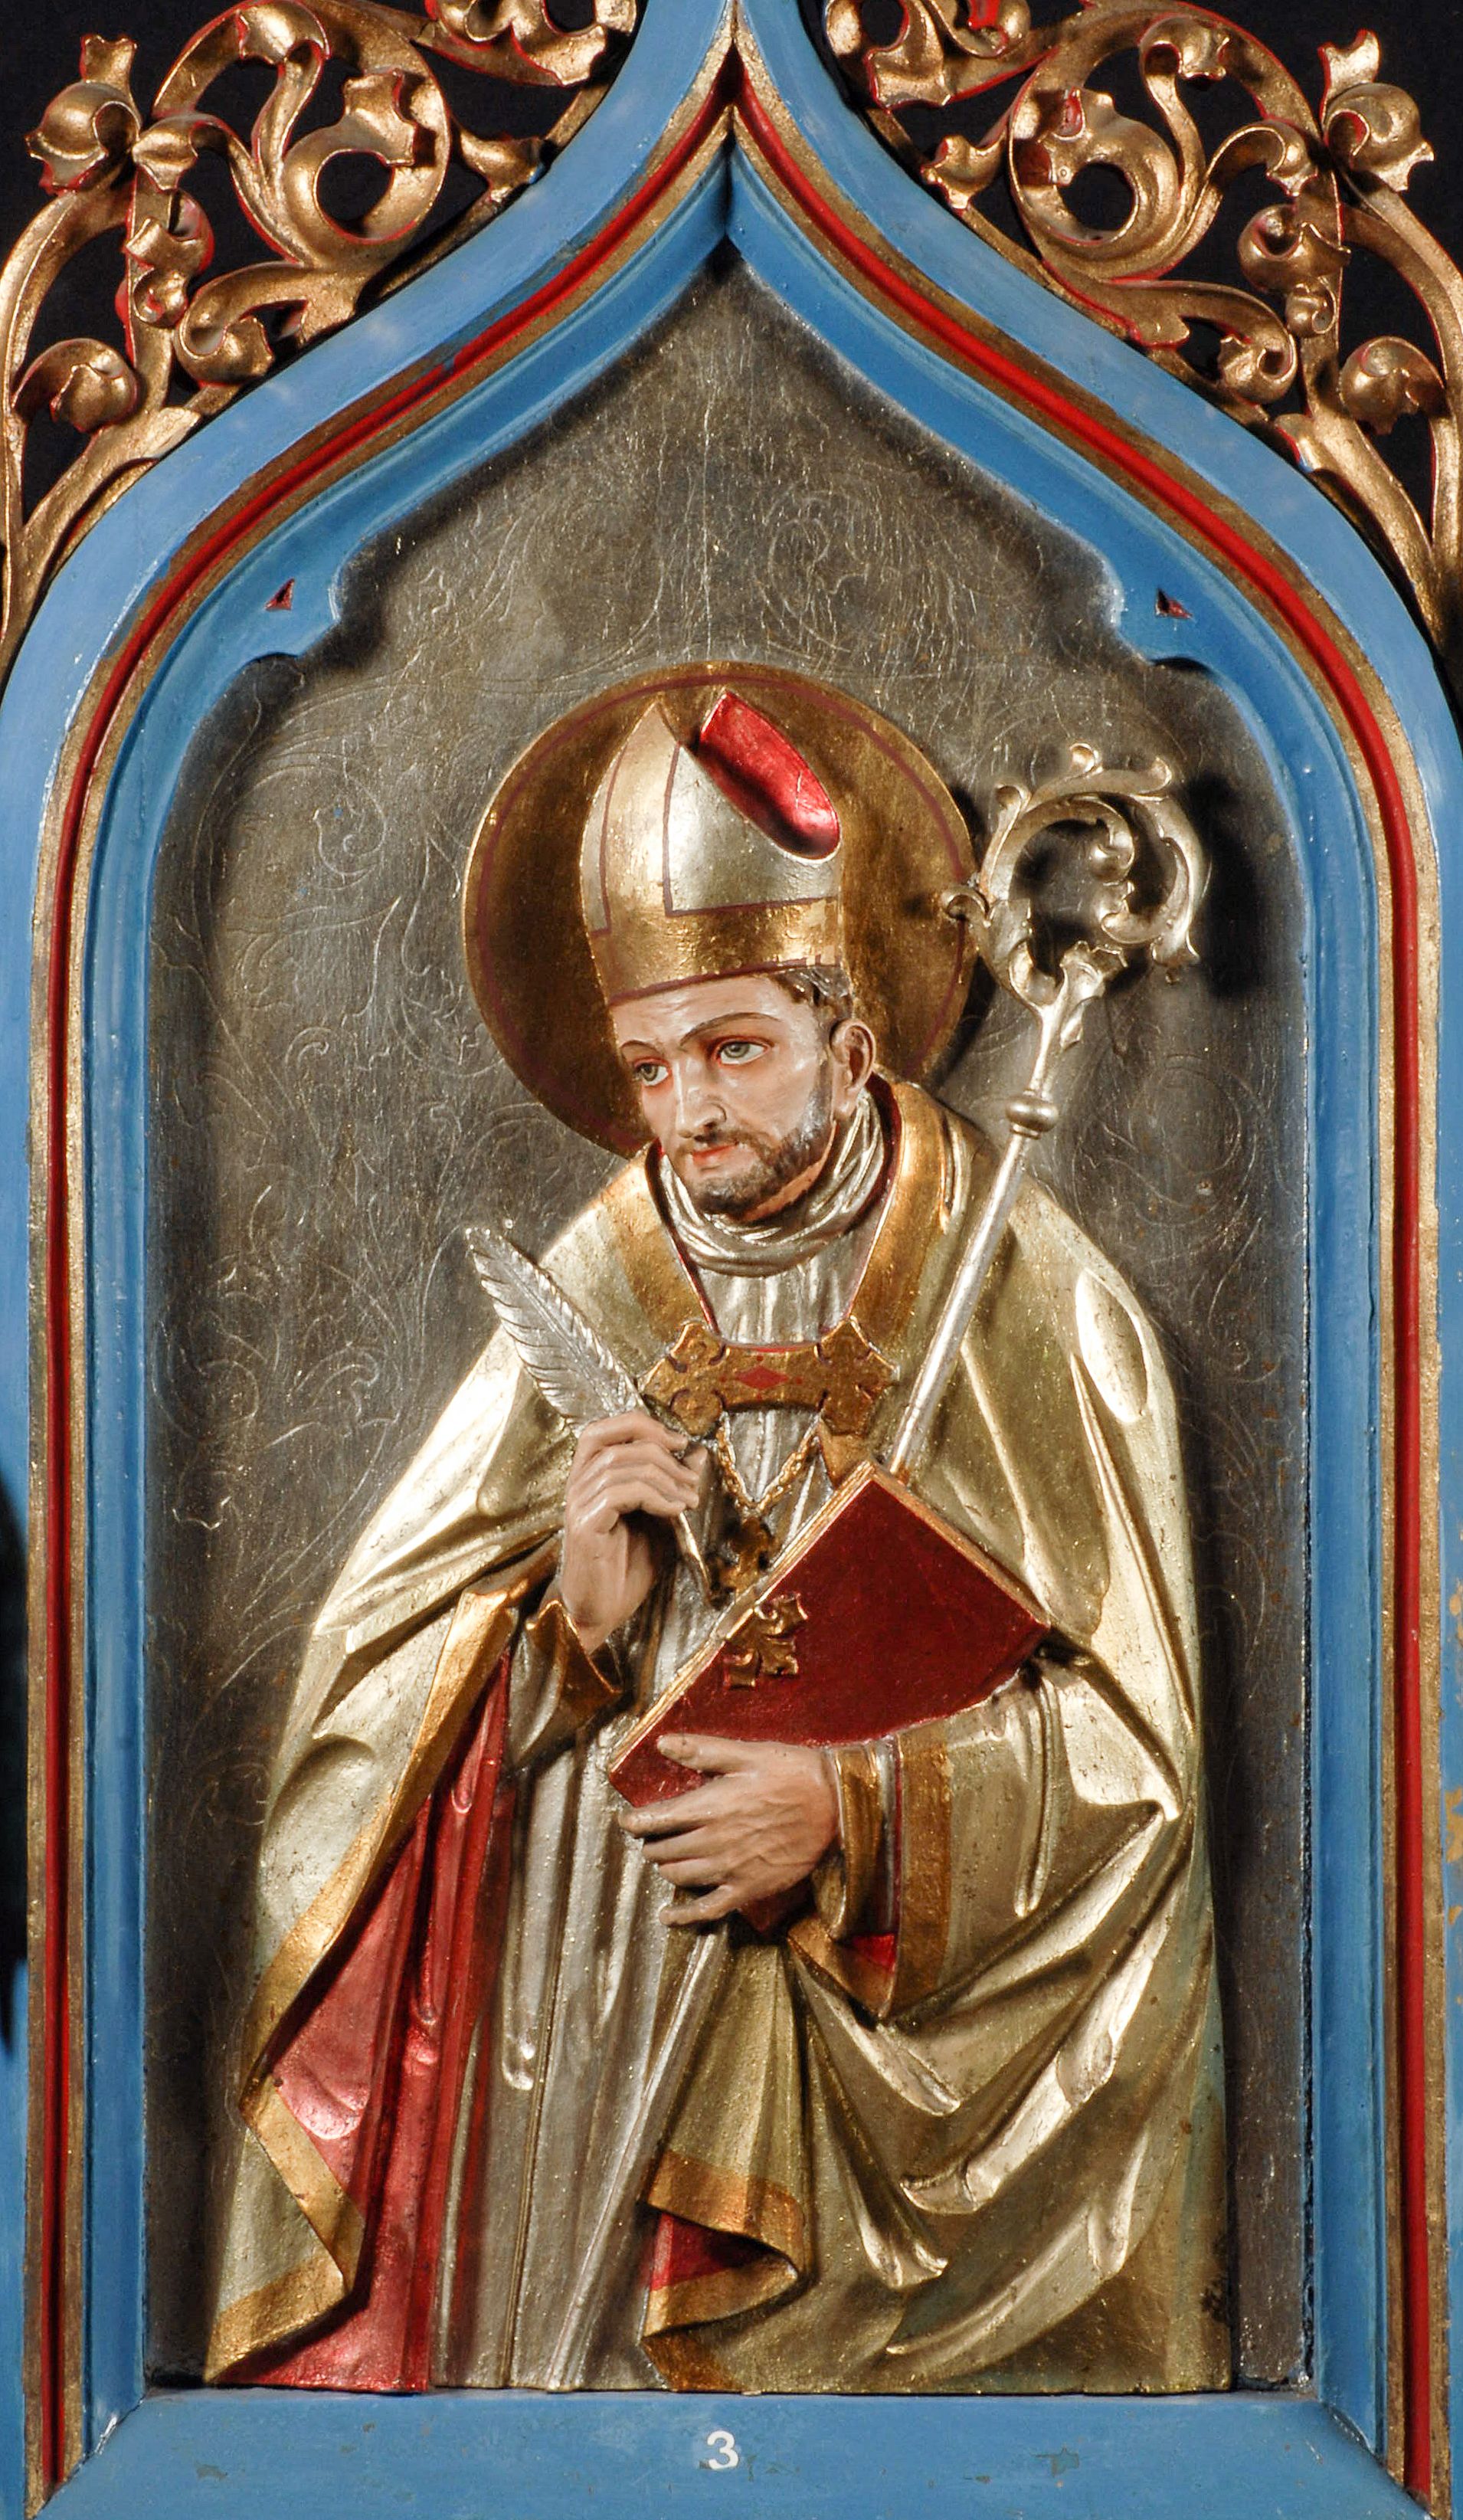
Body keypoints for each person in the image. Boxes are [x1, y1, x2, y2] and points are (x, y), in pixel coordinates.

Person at [207, 687, 1227, 2395]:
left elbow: (1138, 1766)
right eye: (649, 1063)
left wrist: (850, 1811)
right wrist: (570, 1634)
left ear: (853, 1036)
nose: (685, 1110)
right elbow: (362, 1715)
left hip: (874, 2055)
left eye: (735, 1048)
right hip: (590, 2008)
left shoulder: (1025, 1297)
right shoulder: (604, 1275)